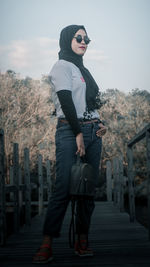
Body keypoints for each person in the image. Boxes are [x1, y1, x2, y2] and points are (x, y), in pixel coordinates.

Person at [32, 24, 106, 264]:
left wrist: (99, 122)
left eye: (87, 38)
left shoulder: (83, 70)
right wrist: (77, 134)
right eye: (79, 37)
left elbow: (87, 103)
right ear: (67, 40)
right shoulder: (62, 66)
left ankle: (82, 239)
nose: (84, 41)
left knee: (87, 189)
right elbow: (65, 100)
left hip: (93, 132)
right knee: (63, 186)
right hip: (68, 130)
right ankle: (47, 242)